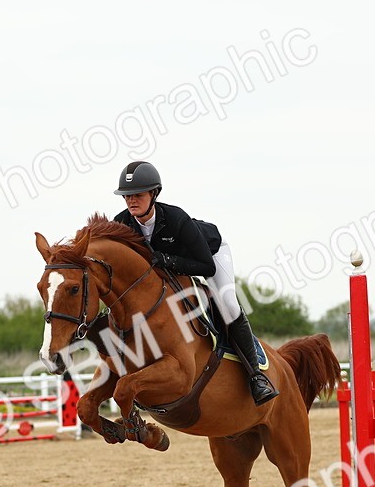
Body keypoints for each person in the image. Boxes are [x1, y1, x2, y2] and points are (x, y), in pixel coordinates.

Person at [112, 160, 279, 405]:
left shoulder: (175, 218)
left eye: (137, 195)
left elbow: (206, 267)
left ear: (154, 194)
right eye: (126, 196)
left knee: (228, 304)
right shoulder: (122, 223)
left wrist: (166, 259)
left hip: (209, 254)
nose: (131, 201)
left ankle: (256, 377)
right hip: (171, 268)